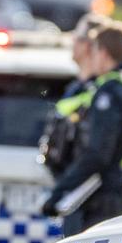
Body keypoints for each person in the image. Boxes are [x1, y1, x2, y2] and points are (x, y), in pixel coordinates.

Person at [41, 20, 122, 236]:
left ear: (103, 52)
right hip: (121, 190)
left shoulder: (110, 91)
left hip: (98, 199)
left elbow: (97, 153)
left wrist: (60, 192)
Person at [39, 13, 110, 180]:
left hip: (83, 190)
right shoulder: (77, 88)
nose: (72, 41)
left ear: (87, 45)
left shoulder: (102, 95)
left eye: (75, 37)